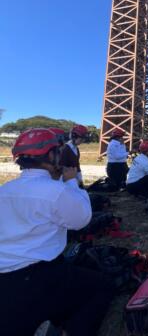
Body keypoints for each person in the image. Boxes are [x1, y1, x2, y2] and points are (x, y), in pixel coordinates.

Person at [0, 128, 115, 336]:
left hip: (5, 279)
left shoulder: (4, 191)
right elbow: (81, 220)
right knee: (102, 286)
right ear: (51, 155)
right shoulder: (56, 190)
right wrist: (71, 181)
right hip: (39, 275)